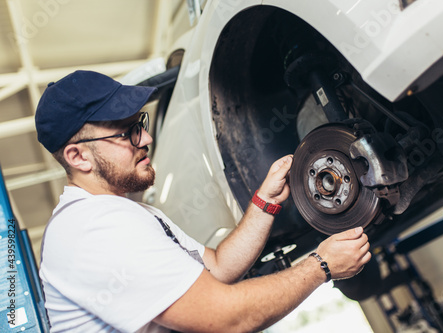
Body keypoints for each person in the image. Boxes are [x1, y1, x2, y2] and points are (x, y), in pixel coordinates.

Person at [35, 70, 371, 333]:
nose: (147, 138)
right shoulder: (90, 229)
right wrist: (321, 266)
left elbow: (219, 267)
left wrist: (264, 203)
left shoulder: (122, 212)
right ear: (78, 157)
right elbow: (227, 318)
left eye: (140, 124)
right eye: (127, 133)